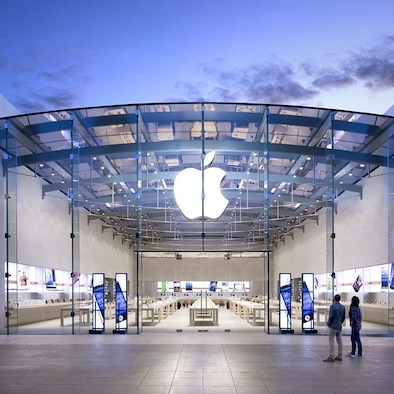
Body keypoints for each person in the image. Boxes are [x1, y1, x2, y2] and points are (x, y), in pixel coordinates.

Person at [323, 294, 346, 362]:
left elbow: (331, 316)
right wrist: (340, 323)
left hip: (333, 326)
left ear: (334, 299)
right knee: (339, 340)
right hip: (339, 326)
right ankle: (339, 355)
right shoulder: (342, 307)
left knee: (331, 340)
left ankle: (331, 356)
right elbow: (343, 317)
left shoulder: (332, 306)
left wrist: (329, 323)